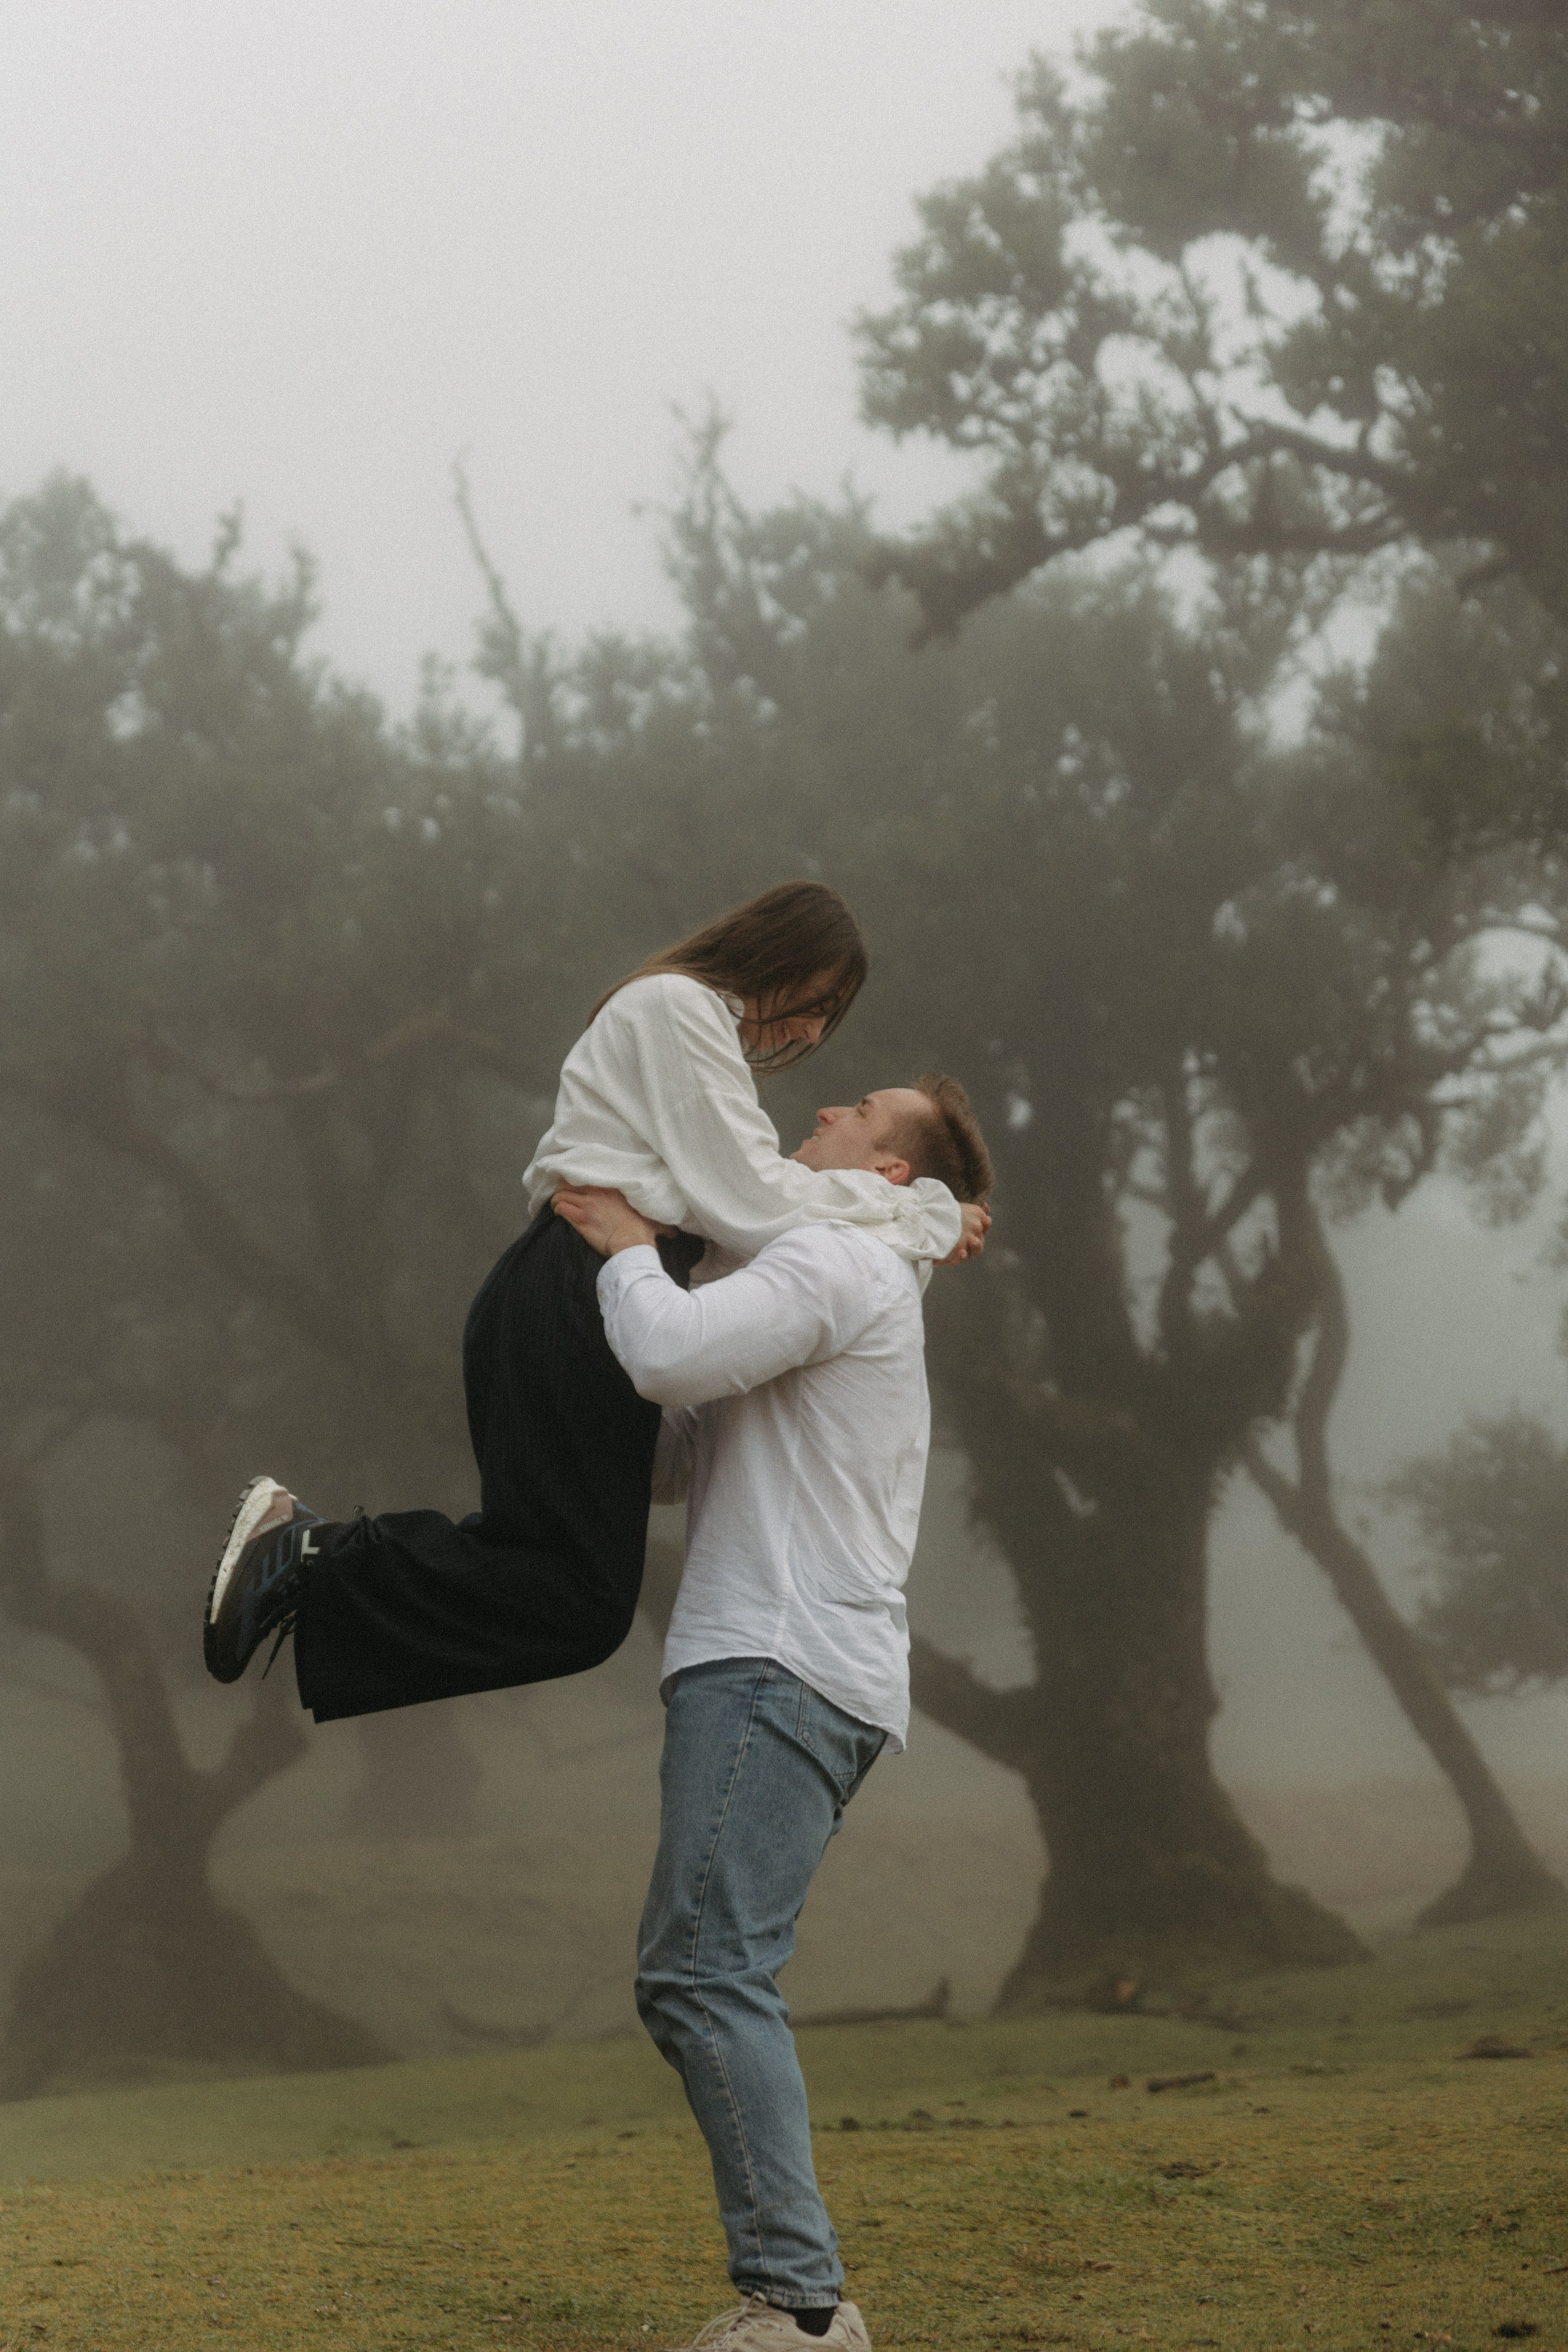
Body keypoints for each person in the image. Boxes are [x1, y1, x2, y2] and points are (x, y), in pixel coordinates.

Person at [202, 881, 989, 1718]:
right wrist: (919, 1215)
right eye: (817, 1002)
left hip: (584, 1288)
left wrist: (909, 1220)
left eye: (829, 1019)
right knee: (577, 1598)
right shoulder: (679, 1008)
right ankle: (304, 1554)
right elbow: (753, 1201)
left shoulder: (689, 1022)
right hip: (580, 1284)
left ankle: (306, 1563)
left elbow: (744, 1221)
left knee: (566, 1590)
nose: (809, 1032)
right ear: (783, 955)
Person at [552, 1070, 994, 2352]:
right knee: (702, 1971)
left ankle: (798, 2311)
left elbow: (668, 1353)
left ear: (888, 1173)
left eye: (855, 1107)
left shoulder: (836, 1261)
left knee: (702, 1972)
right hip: (782, 1665)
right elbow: (685, 1445)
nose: (823, 1110)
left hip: (778, 1663)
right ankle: (794, 2300)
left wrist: (633, 1250)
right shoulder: (839, 1270)